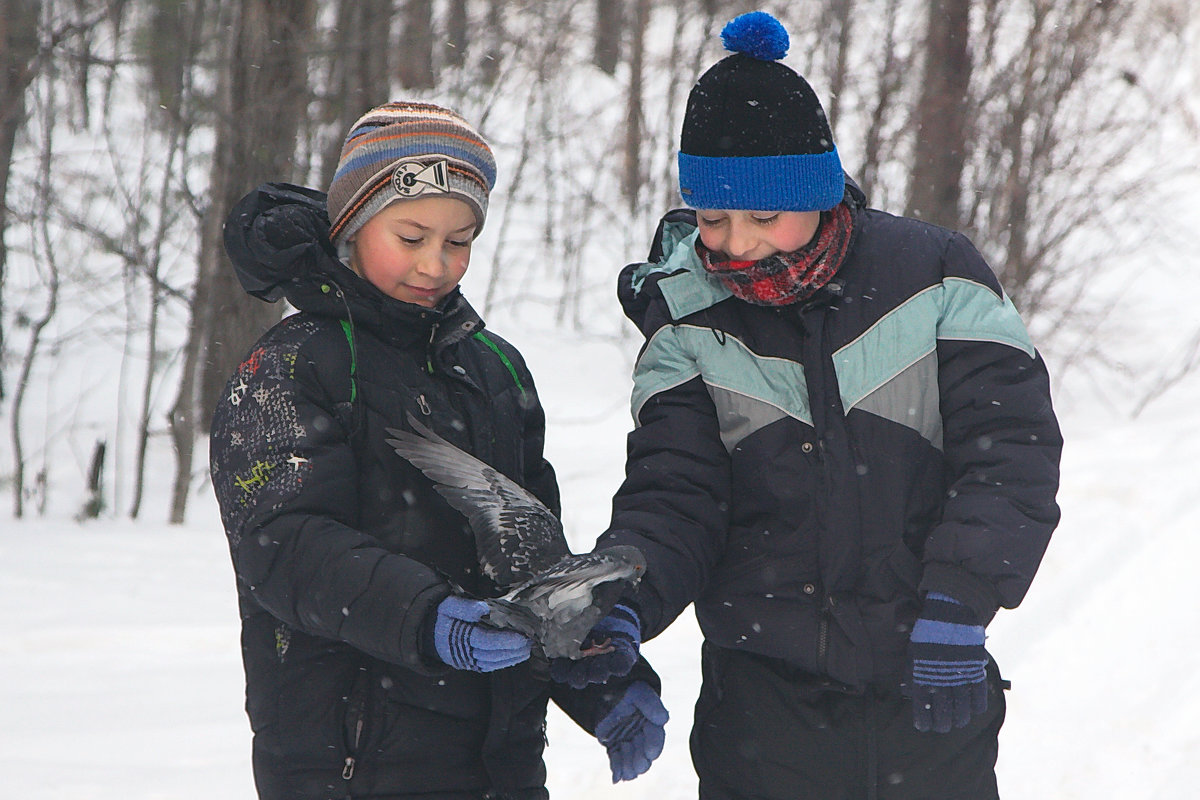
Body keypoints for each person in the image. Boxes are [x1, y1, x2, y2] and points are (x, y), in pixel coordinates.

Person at [557, 12, 1063, 799]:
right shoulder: (687, 313)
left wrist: (960, 599)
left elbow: (1009, 449)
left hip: (929, 677)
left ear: (820, 192)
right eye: (715, 218)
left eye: (764, 215)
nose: (737, 244)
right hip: (761, 707)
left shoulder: (935, 273)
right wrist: (624, 595)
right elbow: (674, 491)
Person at [210, 101, 667, 799]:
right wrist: (424, 617)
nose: (436, 264)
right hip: (349, 759)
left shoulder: (495, 368)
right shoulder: (291, 365)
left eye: (459, 241)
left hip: (499, 762)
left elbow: (533, 564)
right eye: (412, 235)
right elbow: (283, 547)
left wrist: (591, 670)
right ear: (354, 225)